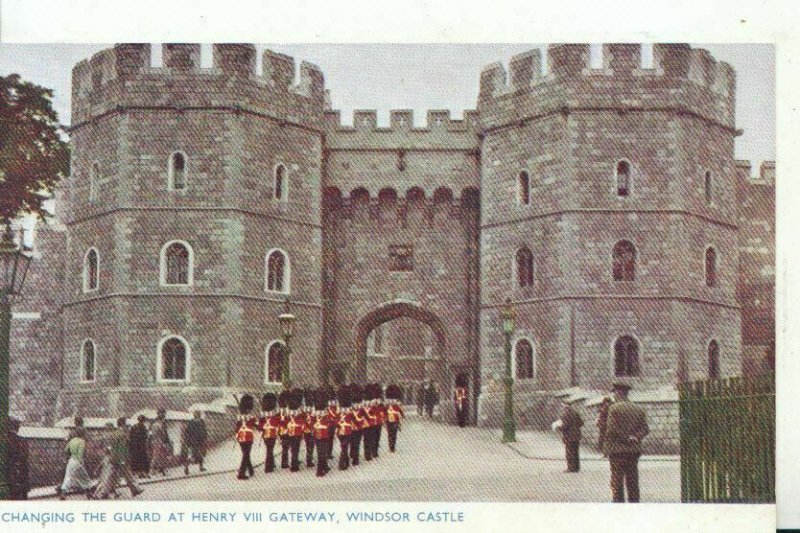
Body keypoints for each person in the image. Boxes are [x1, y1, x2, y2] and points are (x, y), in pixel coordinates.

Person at [606, 380, 650, 503]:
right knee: (632, 481)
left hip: (617, 451)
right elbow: (645, 429)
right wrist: (635, 437)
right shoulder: (638, 408)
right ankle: (634, 504)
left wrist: (625, 438)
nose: (613, 395)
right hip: (633, 451)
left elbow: (611, 429)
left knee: (617, 481)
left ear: (619, 392)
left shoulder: (613, 408)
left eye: (614, 393)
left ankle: (619, 505)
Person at [95, 417, 143, 499]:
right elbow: (122, 448)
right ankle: (135, 489)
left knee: (111, 476)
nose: (126, 426)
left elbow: (111, 447)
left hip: (114, 458)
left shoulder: (115, 433)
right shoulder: (122, 434)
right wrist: (124, 459)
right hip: (120, 458)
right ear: (123, 424)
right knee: (127, 475)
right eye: (125, 424)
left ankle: (103, 493)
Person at [56, 426, 95, 499]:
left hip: (71, 460)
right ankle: (89, 493)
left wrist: (70, 455)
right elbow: (81, 452)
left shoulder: (72, 440)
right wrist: (81, 462)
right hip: (78, 461)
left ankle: (63, 494)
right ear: (83, 433)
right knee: (85, 478)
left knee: (68, 477)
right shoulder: (82, 441)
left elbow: (66, 450)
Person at [312, 389, 336, 477]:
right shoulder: (326, 413)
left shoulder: (314, 414)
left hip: (316, 433)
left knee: (320, 451)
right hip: (324, 433)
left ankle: (325, 467)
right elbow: (330, 422)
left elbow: (311, 422)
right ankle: (319, 470)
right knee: (323, 451)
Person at [556, 401, 584, 473]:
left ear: (566, 406)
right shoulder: (576, 413)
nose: (562, 408)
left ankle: (570, 468)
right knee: (575, 452)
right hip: (577, 436)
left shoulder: (566, 415)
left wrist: (558, 428)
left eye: (563, 406)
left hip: (569, 436)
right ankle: (576, 467)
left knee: (569, 452)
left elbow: (565, 426)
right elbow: (581, 423)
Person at [234, 394, 256, 480]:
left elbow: (236, 428)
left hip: (240, 437)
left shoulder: (239, 417)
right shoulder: (251, 417)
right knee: (246, 454)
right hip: (248, 437)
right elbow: (256, 425)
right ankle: (241, 472)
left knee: (245, 453)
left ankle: (250, 470)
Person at [8, 417, 30, 500]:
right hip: (21, 471)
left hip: (11, 471)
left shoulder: (6, 440)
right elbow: (25, 455)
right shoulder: (22, 440)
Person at [258, 392, 281, 473]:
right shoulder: (275, 412)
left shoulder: (263, 412)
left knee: (269, 448)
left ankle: (271, 463)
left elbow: (260, 423)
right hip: (272, 433)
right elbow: (278, 421)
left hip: (265, 433)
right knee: (270, 449)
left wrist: (261, 428)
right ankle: (268, 467)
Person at [286, 389, 306, 472]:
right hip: (297, 431)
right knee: (296, 448)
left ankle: (293, 462)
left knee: (292, 447)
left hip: (290, 430)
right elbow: (303, 419)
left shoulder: (288, 409)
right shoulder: (299, 410)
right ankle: (294, 465)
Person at [336, 385, 355, 470]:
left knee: (343, 446)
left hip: (340, 430)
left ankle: (346, 461)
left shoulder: (338, 411)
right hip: (347, 430)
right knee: (344, 446)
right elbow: (355, 420)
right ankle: (341, 463)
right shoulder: (350, 411)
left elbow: (335, 420)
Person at [182, 411, 208, 475]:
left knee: (192, 455)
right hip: (198, 442)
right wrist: (205, 439)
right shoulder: (201, 422)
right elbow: (204, 431)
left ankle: (188, 467)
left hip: (192, 442)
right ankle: (189, 467)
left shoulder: (191, 422)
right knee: (198, 454)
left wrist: (186, 440)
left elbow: (187, 432)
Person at [149, 409, 172, 477]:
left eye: (164, 413)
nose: (164, 415)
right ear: (159, 414)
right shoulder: (156, 422)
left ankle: (162, 470)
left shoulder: (163, 422)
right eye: (162, 413)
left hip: (160, 441)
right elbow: (161, 433)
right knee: (156, 456)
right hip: (158, 441)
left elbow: (165, 433)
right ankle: (152, 471)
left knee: (163, 456)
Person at [350, 384, 366, 467]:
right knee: (357, 443)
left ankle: (352, 454)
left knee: (352, 442)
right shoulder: (361, 408)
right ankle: (355, 460)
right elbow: (366, 417)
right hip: (359, 427)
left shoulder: (350, 408)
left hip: (352, 427)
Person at [385, 384, 405, 452]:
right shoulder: (387, 405)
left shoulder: (396, 405)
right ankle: (391, 445)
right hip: (388, 420)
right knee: (390, 433)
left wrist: (402, 416)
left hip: (395, 420)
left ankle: (392, 446)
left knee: (394, 433)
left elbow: (401, 412)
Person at [302, 388, 316, 468]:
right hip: (311, 428)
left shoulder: (303, 408)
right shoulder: (313, 408)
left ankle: (308, 459)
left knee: (308, 444)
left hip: (305, 428)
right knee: (311, 445)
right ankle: (309, 460)